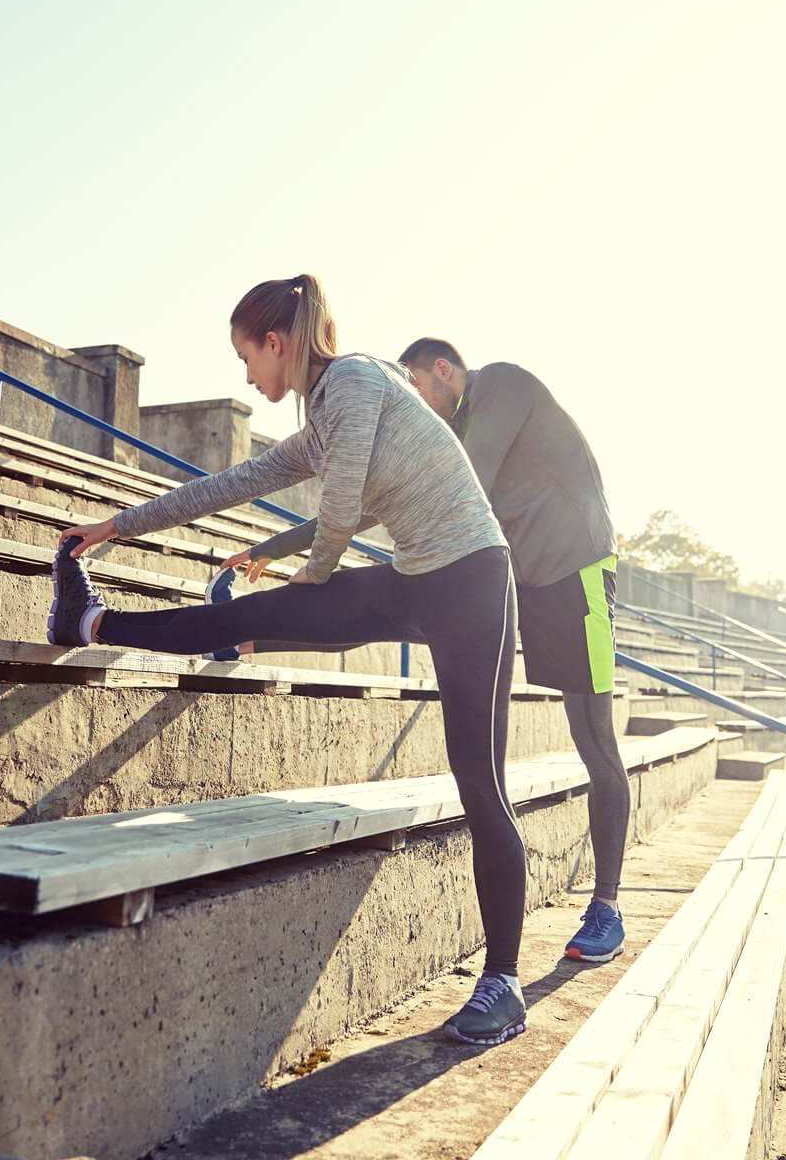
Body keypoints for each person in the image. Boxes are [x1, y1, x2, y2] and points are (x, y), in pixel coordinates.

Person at [50, 276, 531, 1045]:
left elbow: (342, 510)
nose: (246, 376)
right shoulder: (322, 423)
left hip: (472, 579)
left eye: (247, 357)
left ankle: (502, 984)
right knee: (256, 612)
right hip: (416, 577)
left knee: (482, 784)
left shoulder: (356, 381)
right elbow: (228, 485)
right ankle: (93, 620)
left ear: (277, 343)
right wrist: (119, 526)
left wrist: (310, 578)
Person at [227, 339, 628, 963]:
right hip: (518, 578)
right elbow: (374, 504)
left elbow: (466, 482)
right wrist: (277, 548)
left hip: (574, 569)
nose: (416, 407)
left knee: (594, 738)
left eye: (417, 389)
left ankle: (607, 906)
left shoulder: (501, 385)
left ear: (444, 370)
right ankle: (245, 635)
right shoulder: (452, 425)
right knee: (396, 608)